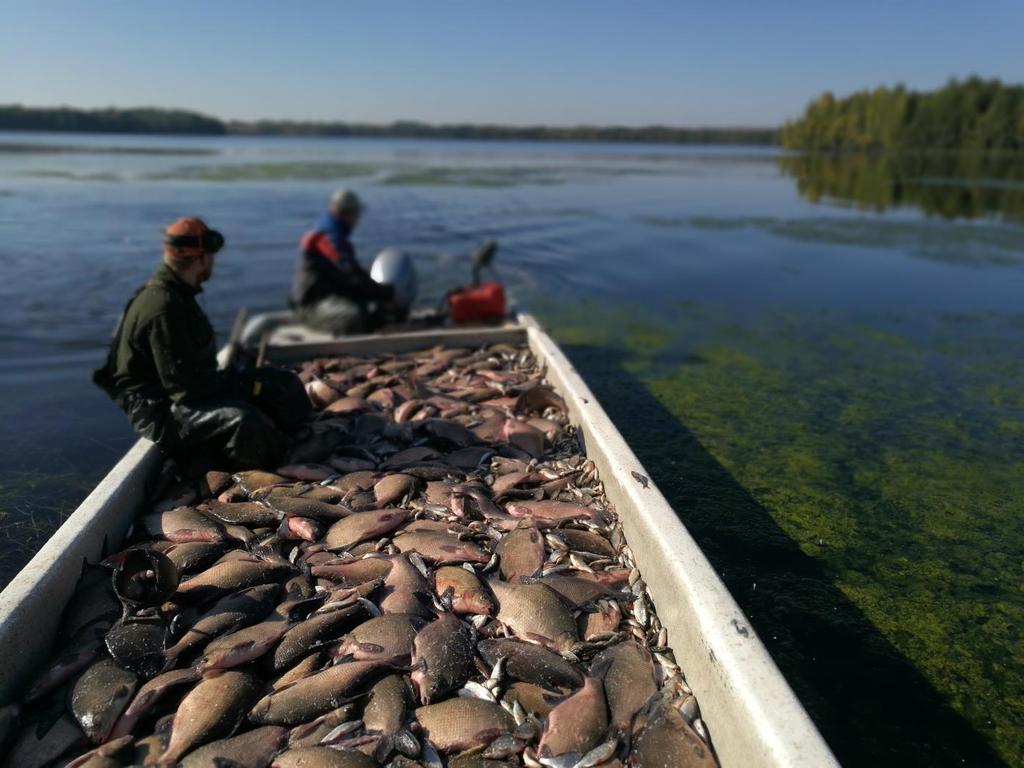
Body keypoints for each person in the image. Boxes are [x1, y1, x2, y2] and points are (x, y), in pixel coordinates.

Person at [94, 216, 311, 474]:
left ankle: (299, 445)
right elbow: (186, 390)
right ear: (201, 258)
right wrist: (246, 386)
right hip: (160, 409)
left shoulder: (178, 292)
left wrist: (249, 384)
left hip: (189, 387)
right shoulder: (163, 307)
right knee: (245, 421)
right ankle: (255, 472)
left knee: (283, 384)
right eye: (212, 256)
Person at [291, 189, 396, 334]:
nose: (357, 220)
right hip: (312, 306)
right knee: (353, 316)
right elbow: (352, 274)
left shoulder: (334, 235)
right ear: (346, 214)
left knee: (372, 307)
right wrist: (386, 292)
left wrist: (377, 291)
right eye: (356, 215)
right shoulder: (328, 239)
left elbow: (352, 274)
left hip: (329, 298)